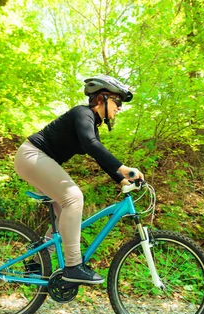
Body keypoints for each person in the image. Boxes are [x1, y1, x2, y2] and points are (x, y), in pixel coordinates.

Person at [14, 75, 144, 285]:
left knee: (63, 216)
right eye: (117, 101)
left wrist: (122, 179)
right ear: (102, 98)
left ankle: (35, 263)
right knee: (74, 198)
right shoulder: (82, 113)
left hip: (36, 160)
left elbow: (98, 154)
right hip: (32, 156)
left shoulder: (91, 126)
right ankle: (73, 266)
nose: (119, 107)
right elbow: (91, 145)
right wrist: (124, 168)